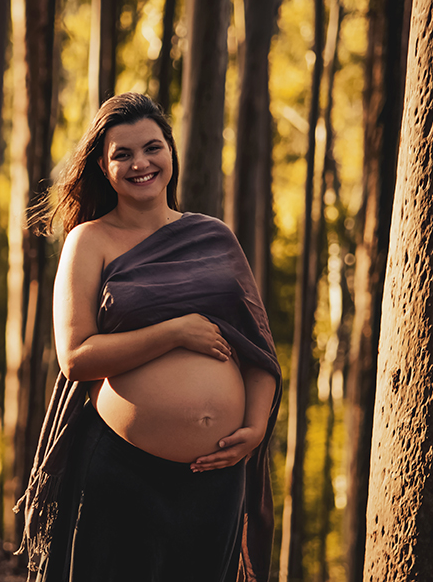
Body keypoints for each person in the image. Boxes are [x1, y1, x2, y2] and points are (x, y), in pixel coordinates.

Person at [14, 93, 281, 582]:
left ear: (171, 154)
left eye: (152, 148)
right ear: (102, 164)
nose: (141, 163)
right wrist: (173, 332)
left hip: (215, 478)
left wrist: (256, 428)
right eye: (123, 153)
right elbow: (76, 356)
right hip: (121, 473)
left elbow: (258, 348)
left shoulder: (214, 236)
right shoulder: (88, 241)